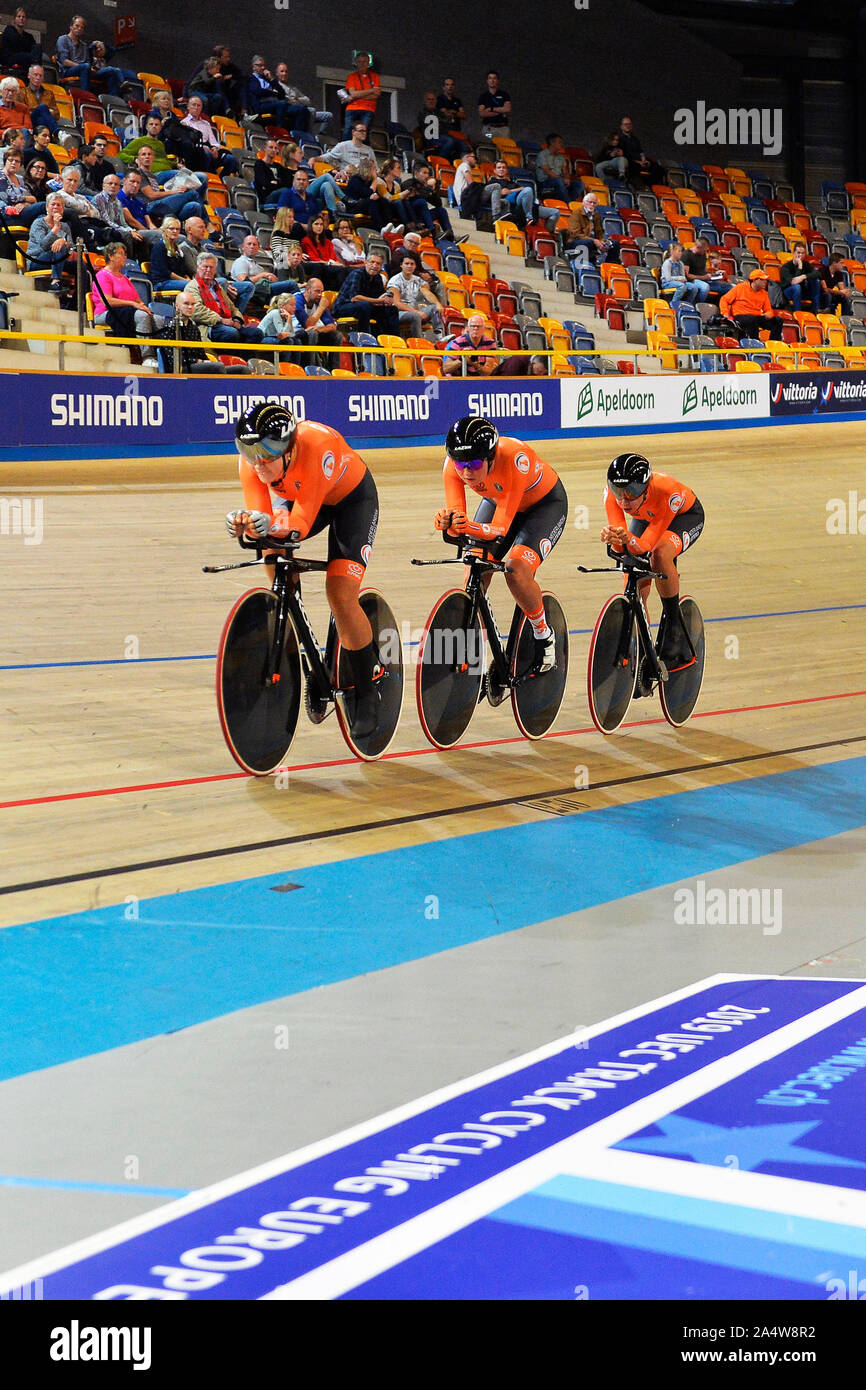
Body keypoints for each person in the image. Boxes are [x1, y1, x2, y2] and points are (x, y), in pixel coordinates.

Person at [228, 402, 382, 735]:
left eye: (268, 452)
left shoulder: (317, 447)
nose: (259, 462)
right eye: (250, 451)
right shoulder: (252, 463)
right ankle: (289, 614)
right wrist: (248, 525)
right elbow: (264, 519)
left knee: (340, 593)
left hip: (350, 502)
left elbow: (298, 522)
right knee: (271, 549)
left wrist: (268, 524)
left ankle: (368, 692)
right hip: (303, 498)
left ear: (289, 447)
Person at [436, 416, 568, 674]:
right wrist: (448, 522)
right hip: (499, 500)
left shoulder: (515, 459)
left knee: (516, 571)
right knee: (472, 571)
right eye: (460, 464)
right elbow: (459, 524)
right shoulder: (453, 467)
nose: (466, 472)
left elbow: (499, 530)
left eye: (474, 464)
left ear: (492, 457)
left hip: (543, 507)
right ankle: (483, 641)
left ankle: (543, 634)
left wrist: (466, 527)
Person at [601, 452, 703, 673]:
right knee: (632, 573)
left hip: (683, 517)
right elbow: (623, 548)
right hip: (648, 517)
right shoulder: (612, 495)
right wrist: (615, 539)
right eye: (619, 492)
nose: (624, 500)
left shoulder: (668, 491)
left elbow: (646, 545)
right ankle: (642, 643)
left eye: (631, 493)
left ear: (646, 487)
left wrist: (628, 540)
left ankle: (674, 625)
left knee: (660, 554)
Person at [90, 240, 168, 365]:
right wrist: (132, 304)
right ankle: (147, 357)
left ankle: (167, 358)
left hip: (127, 311)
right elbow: (107, 302)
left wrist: (142, 306)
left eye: (125, 254)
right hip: (105, 314)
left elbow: (137, 299)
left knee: (161, 320)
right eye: (121, 253)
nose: (125, 257)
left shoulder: (124, 277)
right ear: (110, 256)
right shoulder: (102, 275)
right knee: (141, 316)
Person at [186, 249, 264, 346]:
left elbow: (232, 307)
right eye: (205, 267)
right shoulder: (192, 287)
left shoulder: (217, 286)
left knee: (256, 333)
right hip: (209, 325)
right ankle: (229, 358)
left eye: (211, 267)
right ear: (198, 268)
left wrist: (236, 320)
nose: (208, 270)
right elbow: (196, 311)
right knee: (231, 333)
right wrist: (221, 320)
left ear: (215, 270)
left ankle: (242, 359)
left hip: (227, 322)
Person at [332, 248, 400, 335]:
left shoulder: (378, 277)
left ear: (381, 266)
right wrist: (379, 301)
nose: (374, 266)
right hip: (343, 307)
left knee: (391, 309)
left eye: (378, 264)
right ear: (366, 263)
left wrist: (387, 299)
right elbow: (355, 298)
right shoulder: (357, 274)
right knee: (365, 305)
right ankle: (365, 339)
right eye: (372, 262)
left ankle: (392, 340)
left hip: (366, 307)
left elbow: (381, 296)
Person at [443, 312, 531, 376]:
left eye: (478, 326)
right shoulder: (457, 342)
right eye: (473, 326)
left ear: (484, 329)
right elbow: (446, 369)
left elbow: (488, 372)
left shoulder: (490, 343)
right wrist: (462, 359)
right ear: (468, 328)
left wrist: (475, 364)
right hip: (459, 380)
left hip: (479, 380)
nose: (475, 329)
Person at [231, 231, 298, 311]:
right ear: (243, 247)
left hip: (265, 289)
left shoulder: (257, 266)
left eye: (254, 244)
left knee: (286, 295)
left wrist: (269, 278)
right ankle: (299, 313)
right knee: (291, 284)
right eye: (249, 244)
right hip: (256, 291)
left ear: (258, 248)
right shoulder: (241, 261)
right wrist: (263, 275)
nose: (252, 246)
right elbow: (244, 282)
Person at [387, 251, 442, 337]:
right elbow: (397, 303)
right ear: (401, 265)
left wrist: (438, 303)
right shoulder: (394, 281)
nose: (409, 266)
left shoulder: (418, 280)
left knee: (435, 308)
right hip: (399, 313)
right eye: (407, 263)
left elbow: (427, 293)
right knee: (415, 316)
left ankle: (440, 336)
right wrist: (416, 312)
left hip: (416, 310)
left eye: (412, 264)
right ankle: (418, 342)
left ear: (415, 266)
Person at [26, 191, 72, 291]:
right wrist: (55, 228)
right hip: (37, 260)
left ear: (62, 209)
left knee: (81, 266)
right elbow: (43, 245)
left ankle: (77, 301)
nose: (55, 207)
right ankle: (55, 282)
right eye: (53, 204)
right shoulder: (38, 223)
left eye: (59, 205)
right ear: (47, 207)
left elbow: (71, 247)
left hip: (58, 260)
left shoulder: (65, 226)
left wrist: (64, 241)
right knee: (60, 247)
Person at [719, 268, 778, 339]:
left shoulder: (764, 294)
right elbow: (724, 299)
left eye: (766, 280)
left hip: (755, 317)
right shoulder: (740, 287)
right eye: (762, 280)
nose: (765, 282)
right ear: (754, 280)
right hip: (740, 316)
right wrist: (725, 313)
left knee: (778, 320)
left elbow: (768, 310)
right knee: (752, 319)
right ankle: (754, 345)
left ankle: (774, 343)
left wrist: (769, 314)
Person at [292, 277, 339, 363]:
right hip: (296, 334)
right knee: (312, 333)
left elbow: (332, 326)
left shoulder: (318, 301)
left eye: (321, 292)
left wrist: (320, 329)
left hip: (313, 333)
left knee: (337, 335)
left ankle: (333, 369)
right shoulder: (296, 299)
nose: (320, 295)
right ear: (308, 290)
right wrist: (321, 308)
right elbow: (308, 325)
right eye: (317, 291)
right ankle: (311, 366)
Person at [300, 212, 348, 288]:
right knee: (339, 270)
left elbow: (333, 258)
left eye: (321, 224)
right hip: (320, 265)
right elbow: (313, 258)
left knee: (344, 269)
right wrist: (330, 263)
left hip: (329, 266)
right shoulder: (306, 240)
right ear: (311, 226)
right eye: (316, 224)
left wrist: (335, 263)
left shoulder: (328, 242)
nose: (319, 227)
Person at [339, 51, 380, 139]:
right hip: (352, 108)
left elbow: (375, 95)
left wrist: (357, 95)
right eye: (359, 62)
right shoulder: (351, 77)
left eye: (364, 61)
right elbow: (353, 93)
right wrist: (371, 90)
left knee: (364, 132)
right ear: (356, 63)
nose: (362, 64)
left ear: (368, 62)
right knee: (348, 131)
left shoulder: (375, 76)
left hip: (368, 108)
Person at [245, 56, 291, 131]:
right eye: (260, 65)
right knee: (282, 104)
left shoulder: (267, 79)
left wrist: (272, 79)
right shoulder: (251, 78)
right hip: (261, 105)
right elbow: (258, 91)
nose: (263, 68)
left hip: (274, 103)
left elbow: (282, 93)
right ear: (254, 67)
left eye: (264, 65)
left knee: (300, 110)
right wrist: (272, 92)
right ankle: (280, 130)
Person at [565, 192, 612, 265]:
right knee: (588, 242)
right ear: (583, 203)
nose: (592, 205)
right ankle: (585, 265)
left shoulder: (596, 216)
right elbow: (575, 234)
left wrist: (602, 241)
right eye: (590, 202)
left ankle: (609, 266)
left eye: (594, 203)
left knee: (614, 244)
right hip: (575, 241)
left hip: (592, 241)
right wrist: (594, 241)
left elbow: (599, 232)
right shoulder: (576, 214)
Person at [618, 116, 664, 186]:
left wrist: (644, 160)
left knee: (658, 168)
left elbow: (641, 151)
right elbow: (624, 155)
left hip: (639, 159)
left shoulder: (635, 139)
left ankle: (650, 185)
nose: (628, 126)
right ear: (621, 126)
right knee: (633, 166)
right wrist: (639, 162)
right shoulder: (620, 139)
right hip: (629, 160)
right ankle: (637, 186)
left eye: (629, 124)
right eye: (625, 124)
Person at [536, 135, 583, 204]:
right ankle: (568, 204)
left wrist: (567, 179)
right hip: (544, 182)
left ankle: (570, 202)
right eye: (560, 142)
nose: (562, 144)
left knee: (579, 184)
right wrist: (562, 180)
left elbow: (565, 171)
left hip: (558, 181)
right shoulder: (542, 155)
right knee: (558, 181)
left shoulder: (561, 157)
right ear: (552, 143)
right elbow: (547, 171)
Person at [660, 241, 708, 307]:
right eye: (679, 251)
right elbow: (668, 278)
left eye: (681, 251)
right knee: (682, 286)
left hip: (679, 282)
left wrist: (683, 279)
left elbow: (683, 276)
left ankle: (688, 304)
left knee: (694, 287)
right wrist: (679, 278)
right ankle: (673, 304)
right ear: (672, 252)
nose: (681, 253)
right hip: (667, 283)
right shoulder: (667, 263)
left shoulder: (680, 263)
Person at [148, 216, 189, 291]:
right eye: (171, 229)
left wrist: (187, 278)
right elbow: (165, 272)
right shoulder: (159, 247)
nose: (175, 231)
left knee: (196, 285)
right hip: (162, 282)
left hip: (176, 281)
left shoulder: (178, 249)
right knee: (190, 286)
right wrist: (185, 280)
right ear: (164, 230)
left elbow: (183, 269)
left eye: (177, 229)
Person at [780, 242, 821, 314]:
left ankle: (816, 309)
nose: (800, 255)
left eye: (803, 253)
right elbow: (793, 282)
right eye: (798, 253)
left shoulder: (806, 264)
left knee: (816, 281)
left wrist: (804, 276)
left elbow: (817, 273)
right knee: (797, 287)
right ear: (793, 253)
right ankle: (798, 312)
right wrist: (799, 267)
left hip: (803, 291)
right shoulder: (786, 267)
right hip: (788, 291)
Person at [1, 9, 42, 77]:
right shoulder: (9, 30)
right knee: (30, 57)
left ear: (26, 20)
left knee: (38, 47)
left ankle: (36, 70)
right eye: (19, 16)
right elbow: (15, 46)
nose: (21, 18)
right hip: (10, 58)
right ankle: (35, 71)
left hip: (26, 58)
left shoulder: (29, 36)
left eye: (23, 17)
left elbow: (34, 50)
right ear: (14, 19)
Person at [23, 64, 58, 140]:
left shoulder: (49, 94)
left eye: (40, 76)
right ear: (29, 75)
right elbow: (22, 113)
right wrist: (42, 111)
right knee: (43, 107)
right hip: (30, 122)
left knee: (42, 119)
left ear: (43, 79)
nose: (38, 78)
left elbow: (57, 114)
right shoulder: (22, 92)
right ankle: (58, 133)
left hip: (44, 124)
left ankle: (44, 138)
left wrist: (51, 113)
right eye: (35, 75)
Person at [477, 71, 511, 139]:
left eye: (494, 78)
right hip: (488, 128)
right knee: (487, 147)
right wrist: (500, 111)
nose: (492, 81)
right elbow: (482, 113)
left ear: (498, 80)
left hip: (503, 128)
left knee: (504, 148)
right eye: (490, 78)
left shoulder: (504, 95)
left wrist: (490, 109)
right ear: (487, 81)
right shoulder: (483, 96)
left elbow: (507, 109)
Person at [270, 204, 302, 272]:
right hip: (284, 263)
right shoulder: (277, 234)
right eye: (289, 217)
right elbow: (277, 256)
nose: (292, 219)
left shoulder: (295, 235)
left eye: (293, 217)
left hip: (297, 262)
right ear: (282, 218)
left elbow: (297, 251)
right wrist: (294, 256)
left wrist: (300, 255)